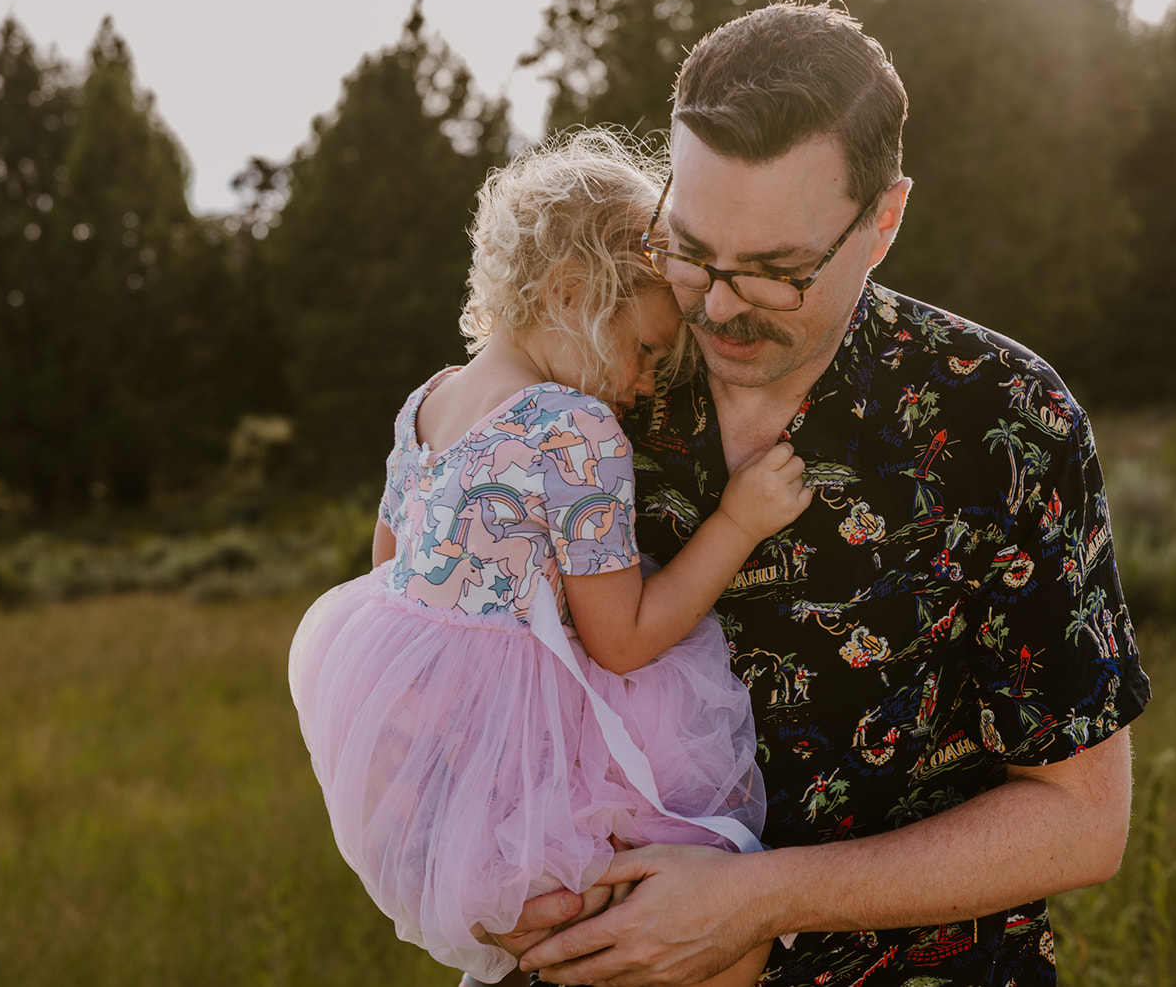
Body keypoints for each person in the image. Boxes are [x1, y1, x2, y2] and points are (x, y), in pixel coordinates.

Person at [498, 0, 1152, 987]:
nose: (714, 305)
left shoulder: (1003, 418)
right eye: (691, 247)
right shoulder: (583, 377)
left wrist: (755, 899)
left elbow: (1080, 820)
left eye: (773, 273)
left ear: (881, 221)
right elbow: (433, 647)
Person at [288, 129, 815, 986]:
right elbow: (623, 638)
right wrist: (738, 520)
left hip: (448, 778)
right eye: (645, 349)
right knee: (726, 937)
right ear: (574, 290)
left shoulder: (424, 406)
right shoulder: (570, 429)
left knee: (544, 944)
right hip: (530, 761)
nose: (646, 384)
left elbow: (385, 576)